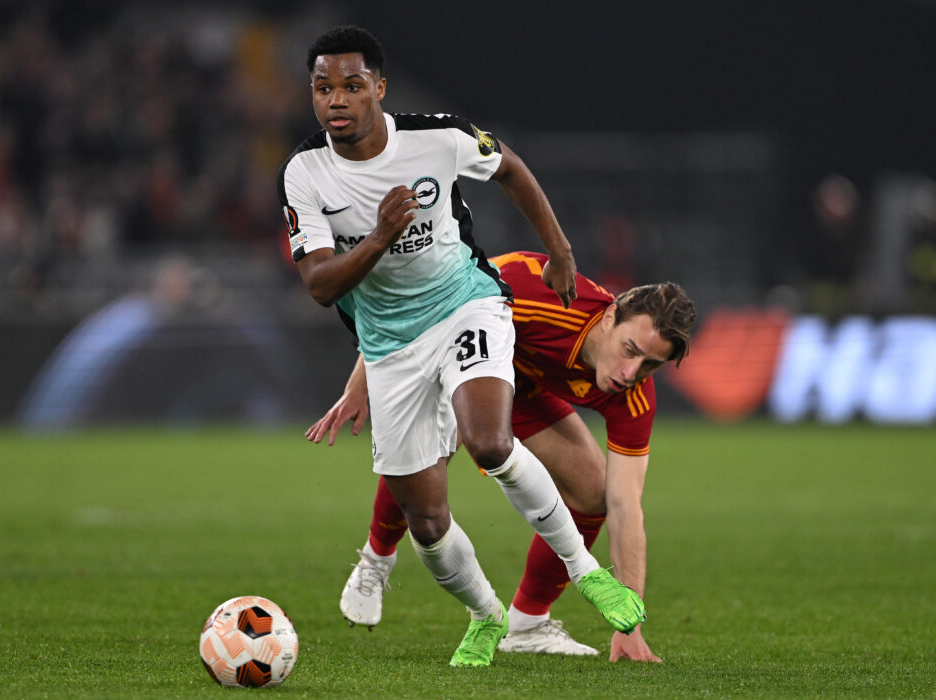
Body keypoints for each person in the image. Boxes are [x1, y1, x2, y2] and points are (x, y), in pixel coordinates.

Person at [279, 26, 643, 668]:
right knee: (425, 520)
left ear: (379, 90)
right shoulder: (305, 173)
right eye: (323, 88)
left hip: (464, 304)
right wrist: (378, 238)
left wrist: (559, 249)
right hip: (390, 344)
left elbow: (511, 168)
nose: (336, 99)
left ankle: (587, 573)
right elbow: (317, 285)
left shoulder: (438, 137)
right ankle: (485, 615)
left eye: (351, 86)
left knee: (489, 440)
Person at [309, 251, 696, 662]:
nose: (630, 373)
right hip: (457, 347)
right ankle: (376, 557)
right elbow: (426, 303)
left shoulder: (634, 395)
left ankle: (527, 623)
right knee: (425, 458)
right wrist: (359, 383)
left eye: (650, 365)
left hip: (523, 389)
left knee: (593, 491)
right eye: (629, 349)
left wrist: (629, 626)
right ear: (608, 316)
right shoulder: (536, 296)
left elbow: (626, 507)